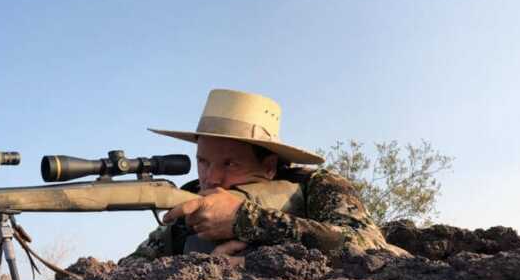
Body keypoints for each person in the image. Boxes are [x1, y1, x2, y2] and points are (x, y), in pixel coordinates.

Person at [122, 89, 408, 263]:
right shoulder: (192, 207)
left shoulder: (318, 186)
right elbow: (132, 268)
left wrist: (248, 221)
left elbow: (368, 245)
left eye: (230, 164)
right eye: (203, 161)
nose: (212, 178)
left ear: (269, 166)